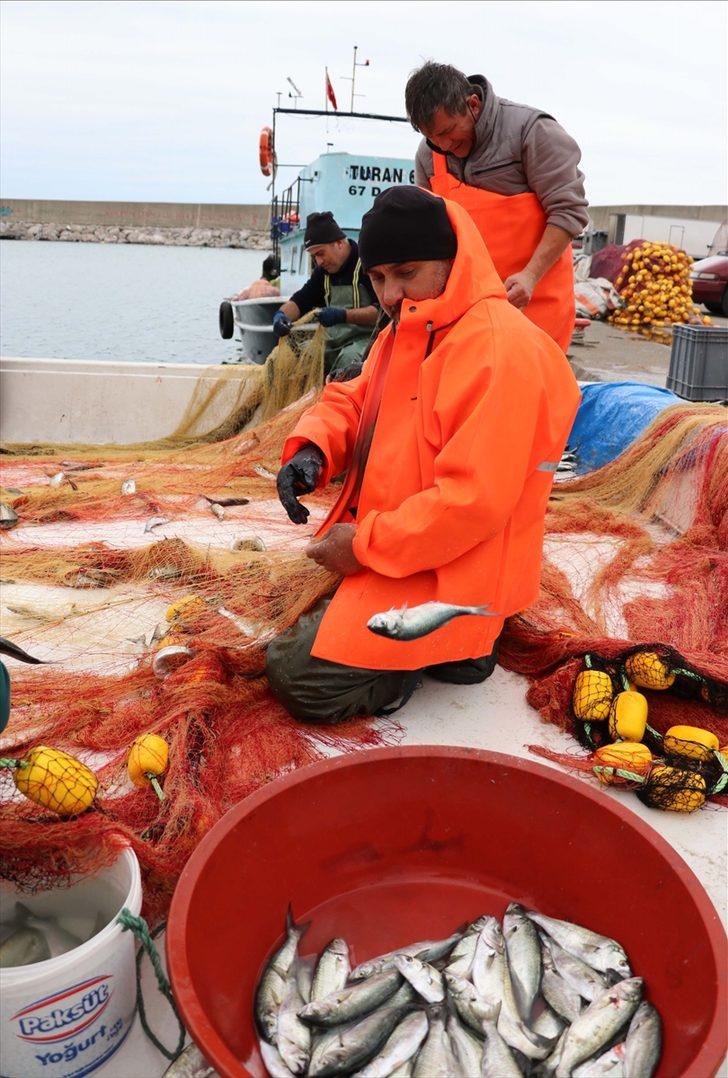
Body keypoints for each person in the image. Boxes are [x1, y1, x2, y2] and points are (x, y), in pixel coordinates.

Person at [265, 186, 580, 724]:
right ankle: (452, 652)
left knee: (296, 678)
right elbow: (358, 397)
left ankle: (456, 648)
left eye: (406, 273)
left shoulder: (498, 350)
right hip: (410, 549)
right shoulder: (414, 325)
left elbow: (471, 503)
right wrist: (314, 450)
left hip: (460, 573)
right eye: (379, 277)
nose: (389, 294)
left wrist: (362, 547)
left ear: (453, 262)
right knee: (289, 635)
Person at [405, 62, 589, 352]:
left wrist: (530, 275)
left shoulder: (533, 131)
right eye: (433, 137)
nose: (444, 145)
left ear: (473, 104)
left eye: (449, 131)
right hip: (465, 311)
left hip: (533, 300)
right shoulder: (429, 154)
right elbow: (427, 230)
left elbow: (569, 212)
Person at [272, 211, 379, 378]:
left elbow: (380, 313)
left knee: (349, 360)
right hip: (333, 343)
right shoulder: (323, 272)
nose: (318, 262)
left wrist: (343, 315)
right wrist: (281, 316)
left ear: (339, 243)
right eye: (314, 257)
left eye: (320, 253)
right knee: (295, 356)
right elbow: (300, 301)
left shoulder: (367, 264)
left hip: (367, 342)